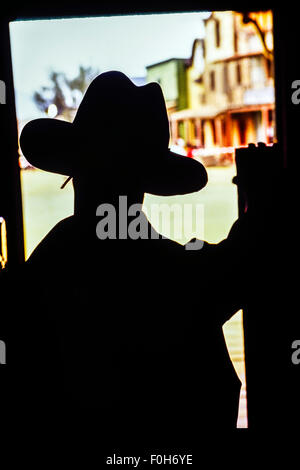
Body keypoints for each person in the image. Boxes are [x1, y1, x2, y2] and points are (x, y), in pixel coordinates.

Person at [9, 71, 250, 446]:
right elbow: (244, 258)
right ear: (145, 182)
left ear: (74, 172)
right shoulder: (182, 274)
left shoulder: (44, 269)